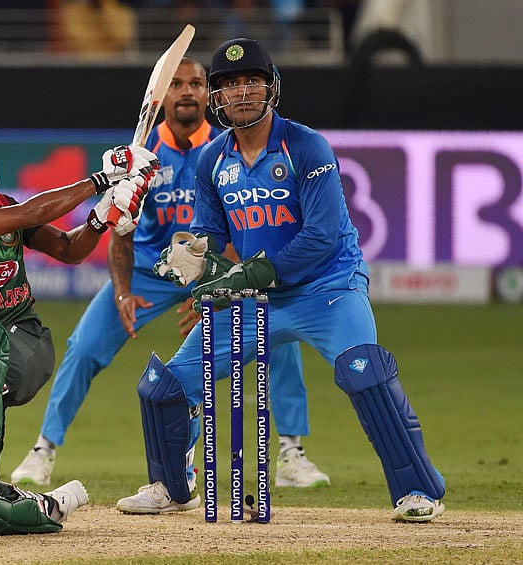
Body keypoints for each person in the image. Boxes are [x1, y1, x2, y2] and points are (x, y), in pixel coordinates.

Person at [117, 38, 445, 522]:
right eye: (230, 84)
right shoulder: (212, 159)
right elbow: (210, 232)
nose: (242, 92)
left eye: (252, 81)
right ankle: (171, 485)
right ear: (217, 97)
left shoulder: (306, 147)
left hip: (327, 288)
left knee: (365, 373)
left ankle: (418, 491)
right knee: (164, 386)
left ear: (270, 87)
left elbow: (321, 237)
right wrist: (189, 253)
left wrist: (251, 273)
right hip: (256, 297)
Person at [11, 57, 330, 496]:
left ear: (207, 94)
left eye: (196, 83)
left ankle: (292, 453)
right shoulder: (142, 155)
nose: (186, 91)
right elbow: (121, 230)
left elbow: (240, 230)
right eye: (176, 83)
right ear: (161, 97)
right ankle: (43, 450)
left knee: (276, 333)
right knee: (83, 346)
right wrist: (122, 293)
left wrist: (214, 288)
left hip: (216, 266)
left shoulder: (227, 147)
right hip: (149, 268)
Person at [0, 120, 157, 536]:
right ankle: (43, 504)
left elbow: (68, 249)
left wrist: (100, 219)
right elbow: (29, 212)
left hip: (23, 342)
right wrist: (102, 181)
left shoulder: (0, 204)